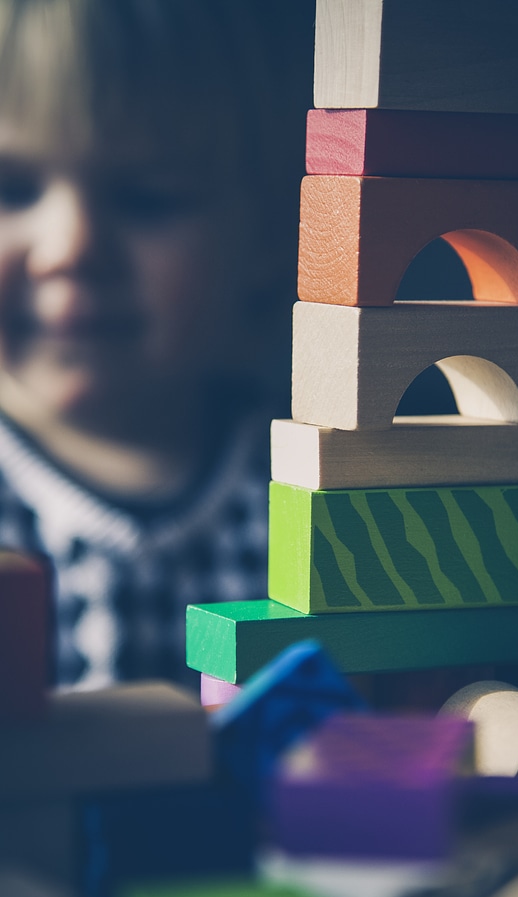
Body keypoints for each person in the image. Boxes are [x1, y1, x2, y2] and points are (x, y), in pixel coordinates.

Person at [0, 0, 310, 691]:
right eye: (12, 189)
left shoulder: (311, 487)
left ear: (264, 234)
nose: (71, 248)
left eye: (147, 198)